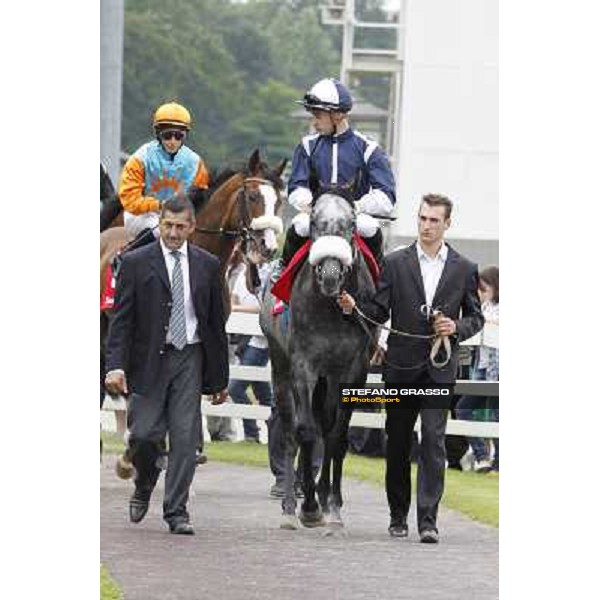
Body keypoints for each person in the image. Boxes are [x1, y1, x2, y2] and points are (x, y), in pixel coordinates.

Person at [338, 194, 484, 544]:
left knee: (433, 440)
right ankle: (398, 514)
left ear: (447, 224)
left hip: (439, 367)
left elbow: (476, 316)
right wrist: (354, 305)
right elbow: (378, 307)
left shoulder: (464, 268)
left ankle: (429, 520)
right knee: (398, 442)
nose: (427, 226)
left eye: (434, 220)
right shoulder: (395, 262)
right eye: (422, 218)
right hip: (401, 366)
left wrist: (456, 328)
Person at [104, 194, 229, 535]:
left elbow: (216, 325)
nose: (173, 233)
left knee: (186, 440)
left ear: (191, 226)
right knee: (144, 435)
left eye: (180, 226)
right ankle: (144, 483)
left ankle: (177, 511)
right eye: (167, 225)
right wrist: (115, 366)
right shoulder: (135, 262)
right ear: (159, 223)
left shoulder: (207, 265)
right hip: (148, 360)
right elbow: (121, 321)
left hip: (191, 355)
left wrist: (219, 379)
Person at [273, 78, 396, 282]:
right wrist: (308, 203)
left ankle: (381, 282)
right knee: (299, 225)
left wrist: (356, 206)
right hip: (316, 215)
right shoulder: (307, 146)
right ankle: (282, 271)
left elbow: (387, 196)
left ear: (338, 114)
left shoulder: (369, 149)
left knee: (371, 229)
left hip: (355, 217)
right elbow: (296, 187)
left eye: (318, 115)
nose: (314, 122)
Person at [118, 101, 210, 252]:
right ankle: (125, 257)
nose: (173, 141)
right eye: (167, 136)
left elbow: (202, 195)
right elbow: (129, 200)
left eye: (178, 136)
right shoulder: (140, 159)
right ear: (158, 134)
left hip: (179, 215)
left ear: (184, 136)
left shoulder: (195, 162)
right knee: (163, 230)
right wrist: (160, 205)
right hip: (142, 215)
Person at [455, 266, 499, 472]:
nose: (481, 292)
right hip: (480, 368)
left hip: (497, 370)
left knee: (496, 416)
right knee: (463, 409)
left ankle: (497, 463)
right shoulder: (483, 307)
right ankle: (482, 456)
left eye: (485, 287)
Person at [228, 262, 274, 443]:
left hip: (259, 341)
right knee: (263, 392)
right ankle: (277, 433)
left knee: (235, 387)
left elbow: (264, 306)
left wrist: (236, 309)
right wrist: (235, 308)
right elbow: (234, 298)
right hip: (242, 337)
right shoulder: (242, 275)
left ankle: (252, 432)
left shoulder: (268, 272)